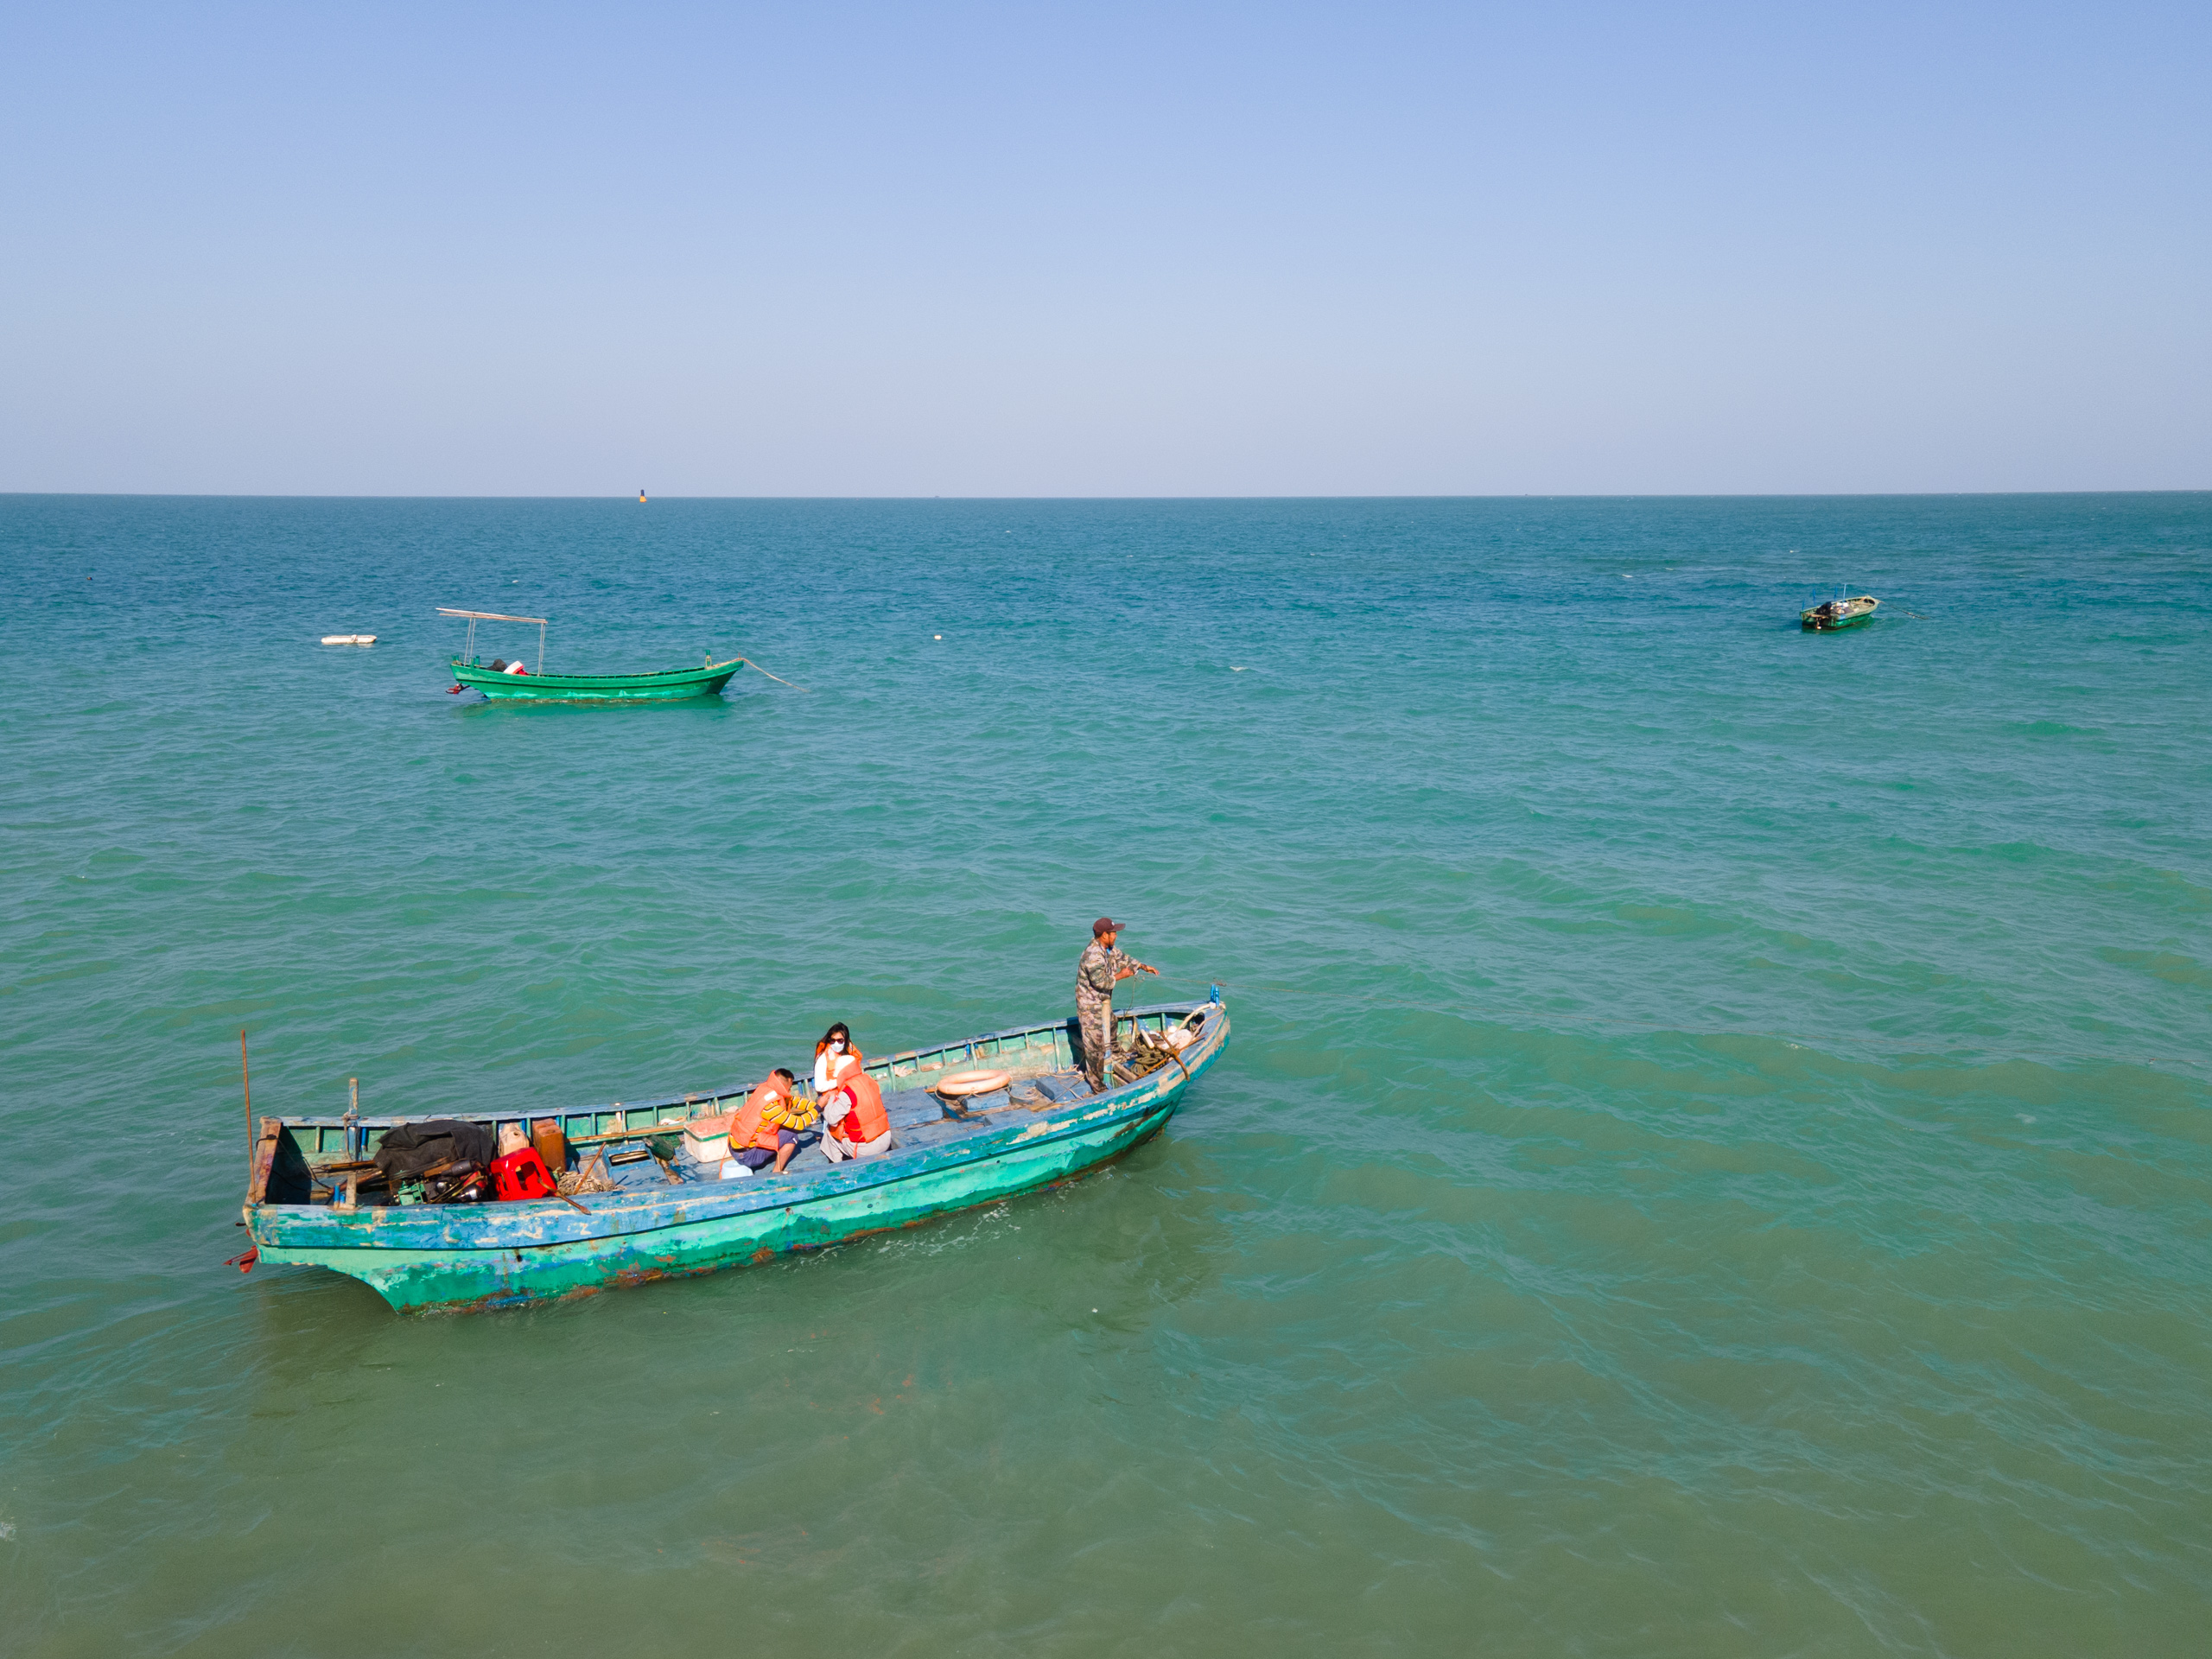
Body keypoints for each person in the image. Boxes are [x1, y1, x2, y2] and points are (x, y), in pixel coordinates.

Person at [1076, 918, 1156, 1089]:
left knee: (1112, 1023)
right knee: (1095, 1047)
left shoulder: (1107, 948)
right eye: (1114, 933)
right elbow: (1100, 982)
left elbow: (1122, 958)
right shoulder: (1093, 955)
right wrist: (1122, 976)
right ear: (1105, 935)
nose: (1116, 936)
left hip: (1102, 1001)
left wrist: (1142, 966)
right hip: (1090, 1006)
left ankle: (1116, 1054)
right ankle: (1097, 1085)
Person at [727, 1068, 817, 1174]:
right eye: (790, 1087)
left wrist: (813, 1106)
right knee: (792, 1135)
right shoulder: (770, 1107)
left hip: (734, 1146)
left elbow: (792, 1101)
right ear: (786, 1082)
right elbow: (799, 1123)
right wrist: (818, 1109)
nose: (790, 1090)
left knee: (783, 1125)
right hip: (748, 1156)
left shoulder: (765, 1089)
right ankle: (776, 1171)